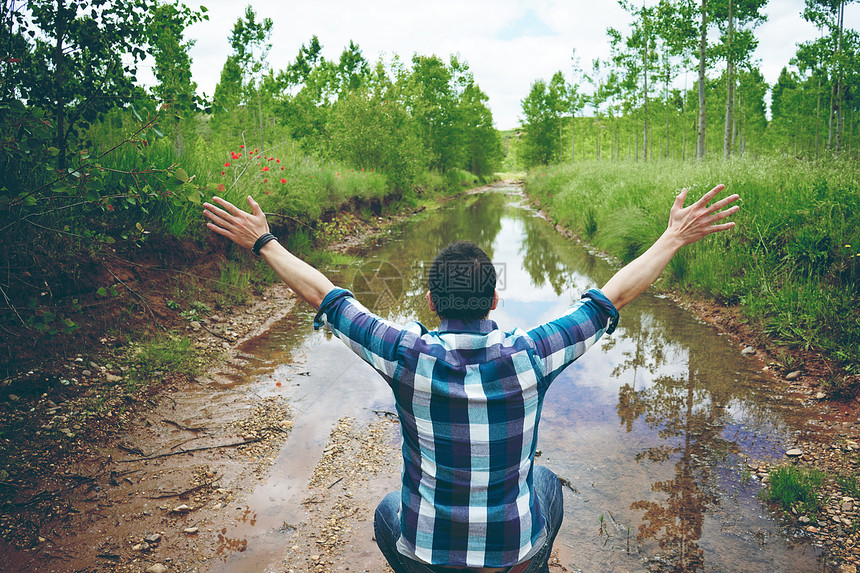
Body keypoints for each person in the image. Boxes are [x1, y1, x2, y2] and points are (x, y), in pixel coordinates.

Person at [202, 184, 739, 573]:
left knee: (390, 511)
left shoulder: (406, 355)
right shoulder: (531, 355)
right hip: (513, 555)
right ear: (495, 300)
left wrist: (264, 241)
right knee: (546, 484)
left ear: (432, 303)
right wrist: (672, 238)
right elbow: (612, 296)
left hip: (431, 559)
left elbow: (326, 296)